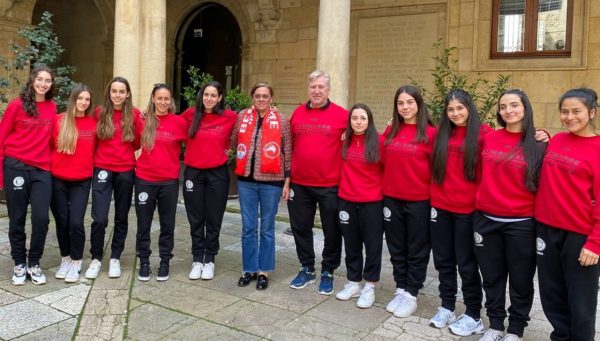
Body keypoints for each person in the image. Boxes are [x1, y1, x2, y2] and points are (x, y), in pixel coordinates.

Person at [474, 89, 546, 341]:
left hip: (522, 224)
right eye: (503, 106)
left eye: (514, 105)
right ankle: (494, 325)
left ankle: (516, 329)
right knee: (491, 278)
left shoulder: (539, 144)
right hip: (486, 220)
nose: (508, 111)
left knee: (520, 280)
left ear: (525, 108)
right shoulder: (490, 138)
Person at [535, 88, 600, 341]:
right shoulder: (557, 140)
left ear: (591, 112)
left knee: (581, 302)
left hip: (580, 237)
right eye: (565, 111)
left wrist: (595, 243)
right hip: (547, 230)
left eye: (577, 111)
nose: (570, 117)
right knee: (552, 295)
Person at [429, 89, 485, 335]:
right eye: (451, 109)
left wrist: (542, 135)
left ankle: (473, 313)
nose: (455, 113)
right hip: (441, 207)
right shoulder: (441, 134)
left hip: (467, 211)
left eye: (460, 108)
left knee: (466, 263)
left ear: (469, 108)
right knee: (443, 261)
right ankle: (447, 305)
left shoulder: (484, 135)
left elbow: (515, 138)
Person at [288, 70, 347, 295]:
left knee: (332, 230)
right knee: (300, 227)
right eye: (313, 87)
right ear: (308, 89)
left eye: (321, 87)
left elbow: (361, 135)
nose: (316, 91)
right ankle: (307, 267)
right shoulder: (298, 113)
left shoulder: (342, 115)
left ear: (328, 90)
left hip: (330, 184)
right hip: (300, 183)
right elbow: (290, 145)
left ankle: (328, 270)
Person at [381, 85, 436, 318]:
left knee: (417, 248)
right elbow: (375, 152)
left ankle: (412, 292)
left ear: (419, 104)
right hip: (391, 198)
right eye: (400, 103)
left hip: (419, 201)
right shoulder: (391, 130)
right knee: (396, 247)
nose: (405, 107)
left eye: (409, 102)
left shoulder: (432, 133)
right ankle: (400, 287)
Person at [231, 82, 291, 290]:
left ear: (271, 98)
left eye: (265, 96)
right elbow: (233, 141)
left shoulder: (281, 120)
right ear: (252, 98)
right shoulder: (242, 117)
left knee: (266, 228)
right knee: (248, 227)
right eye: (258, 96)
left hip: (271, 182)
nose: (261, 99)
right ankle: (249, 268)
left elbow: (287, 151)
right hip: (246, 181)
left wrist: (287, 182)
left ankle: (264, 270)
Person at [0, 66, 56, 285]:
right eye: (40, 79)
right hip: (17, 167)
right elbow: (2, 138)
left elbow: (53, 140)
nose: (43, 83)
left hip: (42, 169)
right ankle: (19, 263)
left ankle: (34, 262)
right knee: (17, 218)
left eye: (48, 80)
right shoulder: (16, 106)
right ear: (33, 80)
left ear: (52, 84)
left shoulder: (52, 107)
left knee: (41, 217)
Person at [85, 77, 141, 280]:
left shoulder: (134, 115)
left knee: (121, 216)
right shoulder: (99, 113)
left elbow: (138, 141)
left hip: (126, 170)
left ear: (127, 94)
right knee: (99, 217)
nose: (117, 95)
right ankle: (96, 258)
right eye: (114, 91)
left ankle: (115, 257)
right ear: (109, 92)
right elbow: (92, 139)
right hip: (102, 169)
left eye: (122, 91)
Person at [181, 81, 237, 280]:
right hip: (193, 173)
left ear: (220, 98)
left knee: (214, 218)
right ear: (201, 96)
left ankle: (210, 258)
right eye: (206, 95)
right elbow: (168, 122)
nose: (209, 99)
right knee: (196, 218)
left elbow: (245, 127)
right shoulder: (190, 114)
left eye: (214, 95)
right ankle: (197, 258)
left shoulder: (230, 117)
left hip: (217, 174)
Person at [134, 83, 187, 282]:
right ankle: (144, 261)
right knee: (143, 224)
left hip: (169, 182)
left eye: (167, 98)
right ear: (153, 99)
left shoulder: (179, 122)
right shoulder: (143, 121)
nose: (163, 102)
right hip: (144, 180)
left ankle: (165, 260)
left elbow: (192, 141)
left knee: (167, 224)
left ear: (170, 100)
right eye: (160, 98)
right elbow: (133, 142)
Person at [334, 103, 384, 308]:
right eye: (354, 118)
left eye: (363, 118)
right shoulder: (344, 141)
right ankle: (353, 282)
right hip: (346, 199)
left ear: (369, 120)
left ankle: (369, 286)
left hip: (372, 202)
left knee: (372, 246)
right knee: (352, 244)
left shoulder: (379, 142)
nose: (358, 122)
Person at [50, 84, 97, 283]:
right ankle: (66, 259)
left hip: (82, 180)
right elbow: (50, 145)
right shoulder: (59, 120)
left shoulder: (93, 123)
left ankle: (77, 261)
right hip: (58, 179)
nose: (83, 102)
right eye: (80, 98)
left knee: (76, 222)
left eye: (87, 99)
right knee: (62, 222)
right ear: (73, 99)